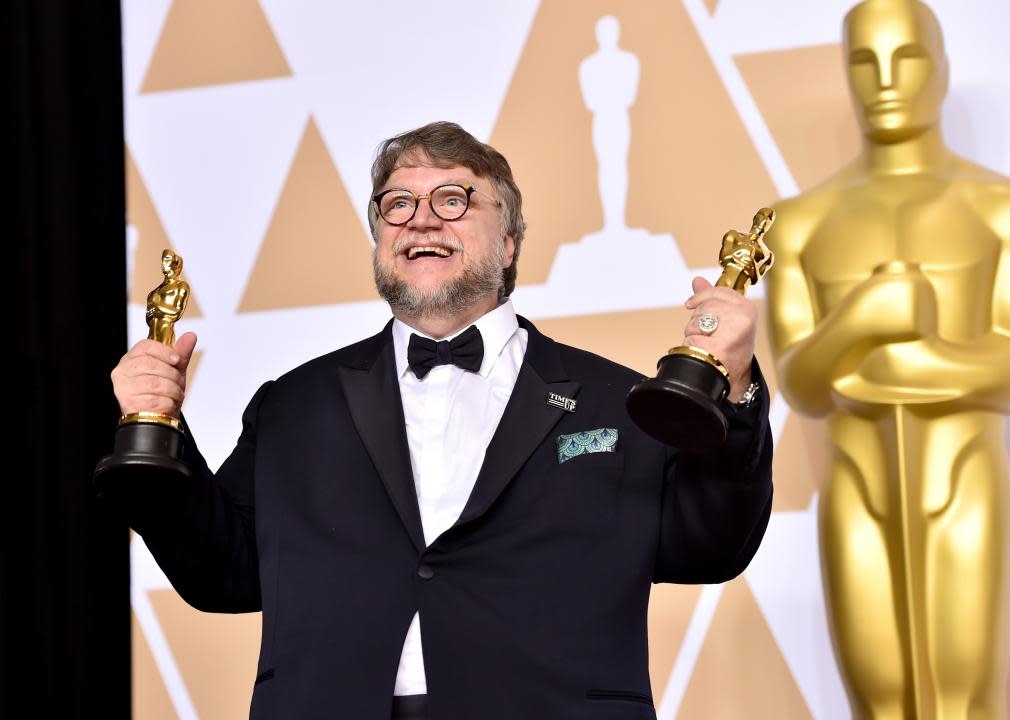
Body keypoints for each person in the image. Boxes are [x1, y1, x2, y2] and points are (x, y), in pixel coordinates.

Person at [109, 121, 773, 720]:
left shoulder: (618, 402)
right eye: (398, 204)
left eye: (453, 199)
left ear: (508, 242)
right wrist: (160, 426)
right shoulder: (292, 407)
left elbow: (711, 546)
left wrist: (734, 390)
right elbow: (222, 576)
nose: (420, 220)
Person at [763, 1, 1009, 716]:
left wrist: (905, 365)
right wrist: (863, 319)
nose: (885, 81)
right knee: (879, 700)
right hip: (857, 487)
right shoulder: (803, 220)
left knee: (970, 699)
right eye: (864, 63)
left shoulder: (994, 207)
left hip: (965, 481)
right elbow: (804, 383)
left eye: (907, 58)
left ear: (941, 67)